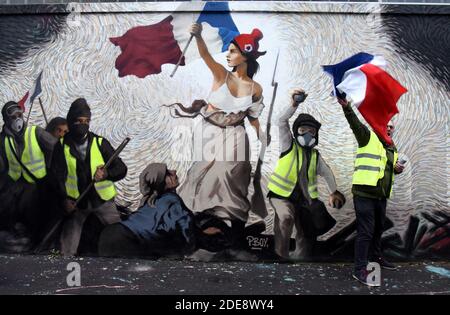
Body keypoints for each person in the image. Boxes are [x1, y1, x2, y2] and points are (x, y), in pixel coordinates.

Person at [167, 23, 268, 249]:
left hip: (236, 134)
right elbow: (204, 55)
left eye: (233, 51)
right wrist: (198, 35)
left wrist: (261, 133)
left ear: (245, 55)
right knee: (202, 175)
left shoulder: (256, 88)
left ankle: (236, 234)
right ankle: (194, 229)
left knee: (233, 176)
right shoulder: (221, 74)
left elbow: (252, 115)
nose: (228, 55)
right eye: (229, 50)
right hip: (210, 130)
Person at [268, 89, 346, 260]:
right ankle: (280, 256)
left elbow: (326, 173)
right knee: (286, 217)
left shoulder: (315, 156)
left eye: (312, 131)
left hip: (305, 200)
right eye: (303, 130)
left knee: (307, 230)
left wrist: (333, 191)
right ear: (296, 132)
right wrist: (294, 104)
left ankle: (301, 257)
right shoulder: (288, 145)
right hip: (281, 195)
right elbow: (281, 121)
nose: (308, 134)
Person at [337, 97, 405, 286]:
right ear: (379, 126)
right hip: (365, 194)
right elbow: (354, 123)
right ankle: (359, 269)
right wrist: (347, 107)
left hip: (381, 196)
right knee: (366, 232)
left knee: (377, 230)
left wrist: (396, 169)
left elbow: (386, 171)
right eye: (387, 125)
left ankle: (376, 259)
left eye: (392, 127)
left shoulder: (392, 147)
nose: (390, 128)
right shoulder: (367, 137)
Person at [53, 98, 127, 256]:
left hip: (103, 201)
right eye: (79, 121)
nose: (83, 125)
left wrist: (107, 174)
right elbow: (56, 177)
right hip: (77, 204)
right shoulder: (61, 146)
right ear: (71, 121)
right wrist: (63, 200)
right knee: (66, 249)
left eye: (86, 121)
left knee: (121, 237)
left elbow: (121, 169)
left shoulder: (100, 143)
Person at [98, 163, 196, 258]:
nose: (174, 171)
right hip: (126, 240)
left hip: (109, 234)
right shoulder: (172, 199)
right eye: (168, 173)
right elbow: (187, 226)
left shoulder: (148, 201)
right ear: (161, 182)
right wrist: (190, 250)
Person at [0, 101, 59, 251]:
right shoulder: (3, 139)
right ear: (6, 120)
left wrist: (51, 169)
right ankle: (14, 234)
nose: (17, 119)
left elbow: (57, 150)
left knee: (32, 206)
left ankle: (35, 241)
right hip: (15, 183)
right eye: (13, 117)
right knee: (6, 203)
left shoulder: (36, 132)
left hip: (37, 182)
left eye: (19, 115)